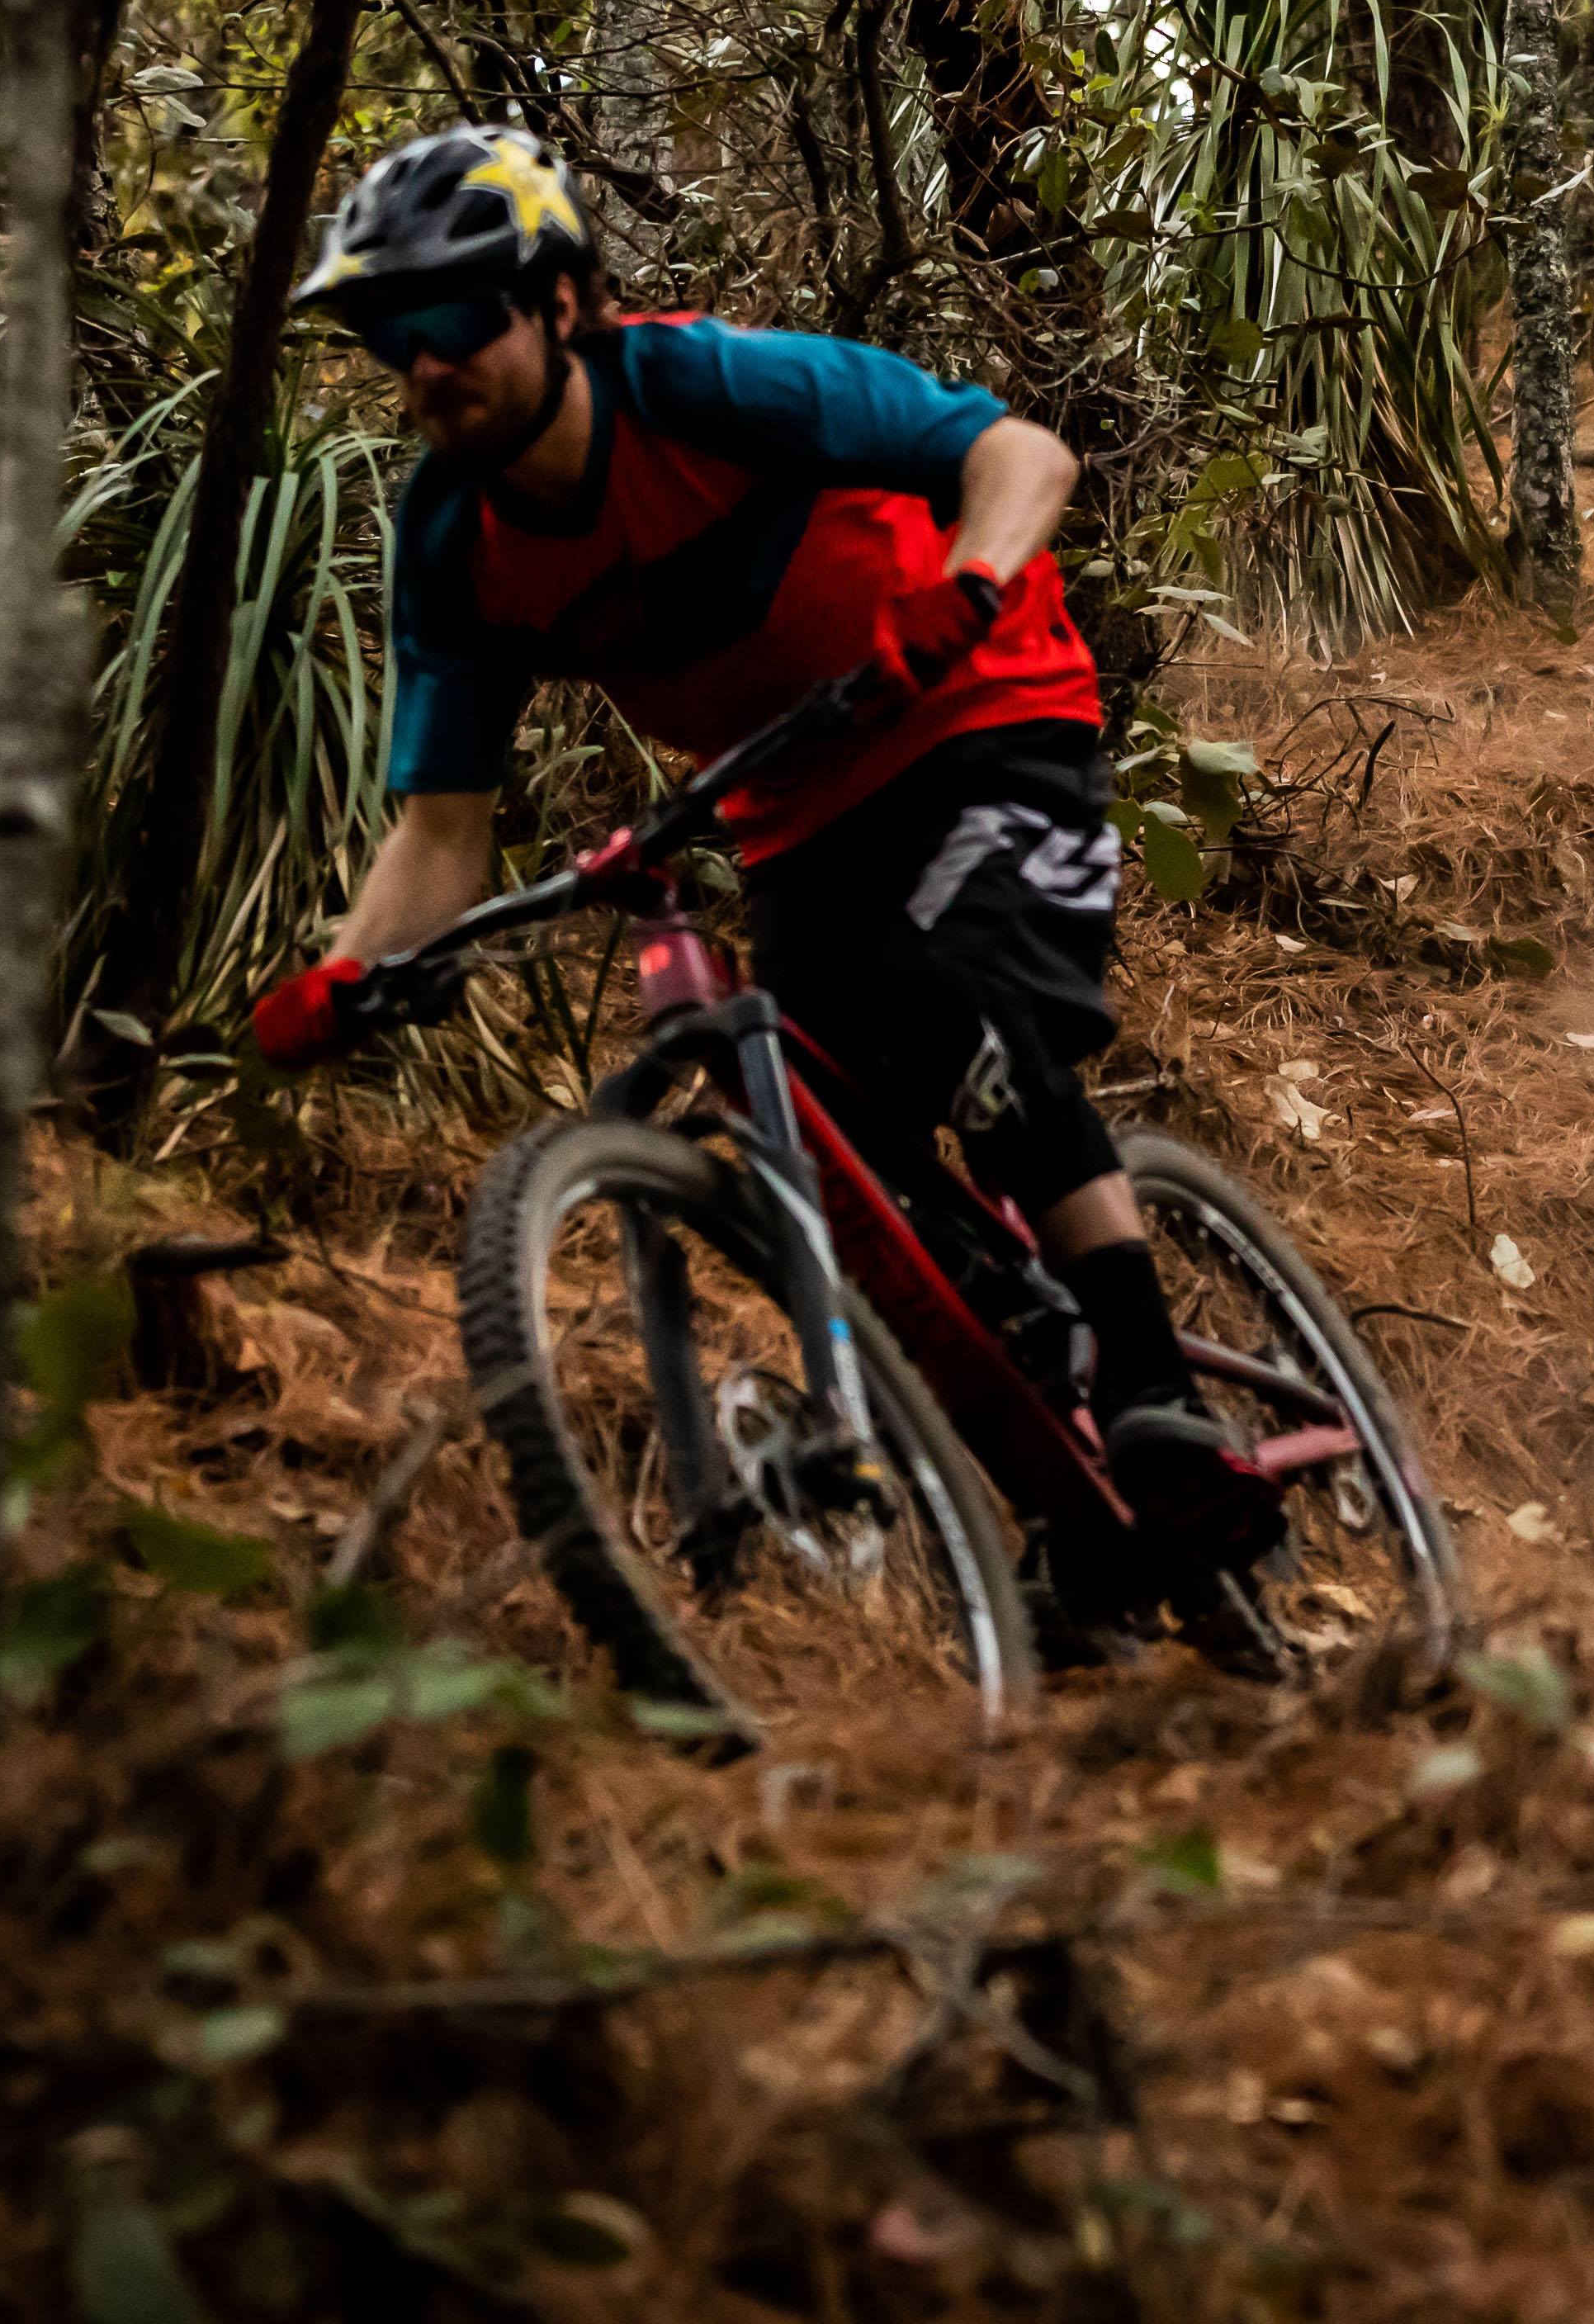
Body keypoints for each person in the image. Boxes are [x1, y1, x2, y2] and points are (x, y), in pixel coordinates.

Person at [237, 124, 1270, 1569]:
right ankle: (1049, 1500)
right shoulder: (453, 543)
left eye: (456, 318)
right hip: (793, 818)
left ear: (559, 305)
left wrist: (966, 589)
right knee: (829, 1167)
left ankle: (1159, 1397)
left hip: (986, 718)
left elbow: (1021, 455)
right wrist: (345, 975)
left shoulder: (709, 387)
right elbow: (441, 829)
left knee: (959, 1002)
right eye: (389, 338)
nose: (425, 365)